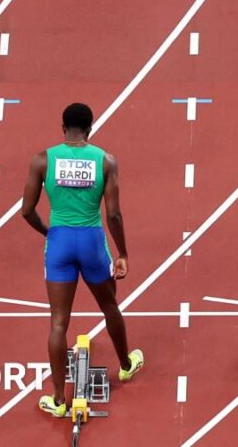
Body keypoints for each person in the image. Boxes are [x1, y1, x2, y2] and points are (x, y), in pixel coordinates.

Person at [21, 103, 144, 418]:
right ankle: (127, 365)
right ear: (90, 129)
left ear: (62, 127)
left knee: (59, 322)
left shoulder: (42, 160)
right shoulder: (105, 161)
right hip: (91, 242)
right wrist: (123, 253)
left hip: (60, 242)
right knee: (109, 307)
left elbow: (26, 211)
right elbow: (113, 214)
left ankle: (59, 399)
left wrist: (49, 232)